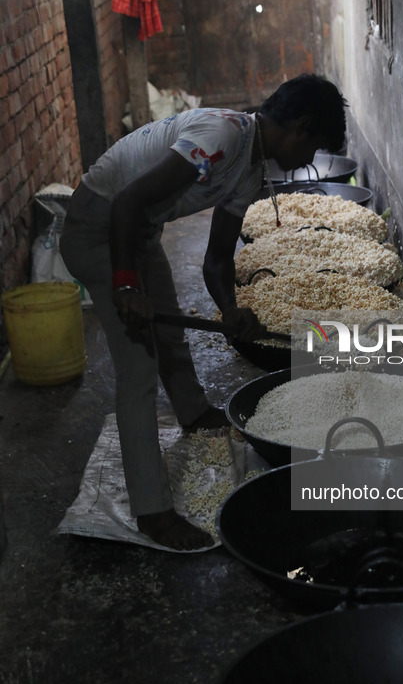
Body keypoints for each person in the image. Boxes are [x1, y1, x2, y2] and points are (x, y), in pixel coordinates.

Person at [61, 73, 348, 552]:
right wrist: (126, 284)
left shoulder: (251, 171)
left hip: (140, 228)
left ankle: (193, 413)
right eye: (313, 148)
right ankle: (152, 512)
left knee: (168, 326)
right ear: (299, 127)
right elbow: (128, 199)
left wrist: (232, 310)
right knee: (137, 369)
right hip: (100, 225)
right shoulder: (223, 135)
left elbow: (216, 261)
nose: (308, 162)